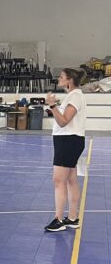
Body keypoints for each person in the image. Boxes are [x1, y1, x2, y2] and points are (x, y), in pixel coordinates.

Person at [44, 67, 88, 232]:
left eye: (62, 77)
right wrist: (54, 109)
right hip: (70, 140)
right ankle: (72, 218)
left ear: (70, 80)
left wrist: (53, 106)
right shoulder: (73, 96)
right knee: (71, 180)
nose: (59, 79)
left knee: (59, 180)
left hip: (68, 141)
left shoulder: (75, 96)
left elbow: (64, 121)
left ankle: (58, 219)